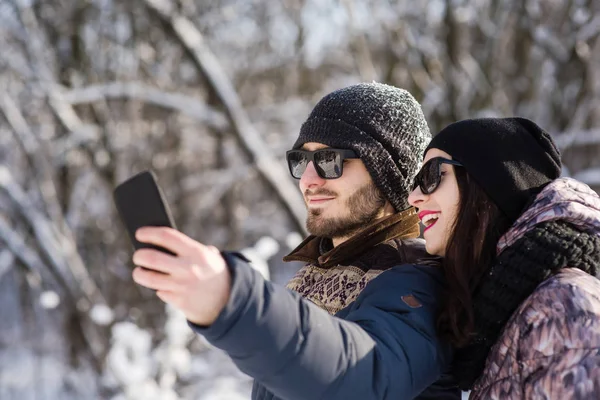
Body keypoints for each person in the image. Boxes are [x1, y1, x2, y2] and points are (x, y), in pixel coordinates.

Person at [130, 83, 460, 399]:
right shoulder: (317, 275)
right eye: (302, 161)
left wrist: (233, 300)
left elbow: (362, 375)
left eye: (330, 161)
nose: (308, 180)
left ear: (386, 173)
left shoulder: (420, 281)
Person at [407, 117, 600, 399]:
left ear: (489, 184)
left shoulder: (562, 309)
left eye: (431, 176)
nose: (414, 197)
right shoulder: (500, 310)